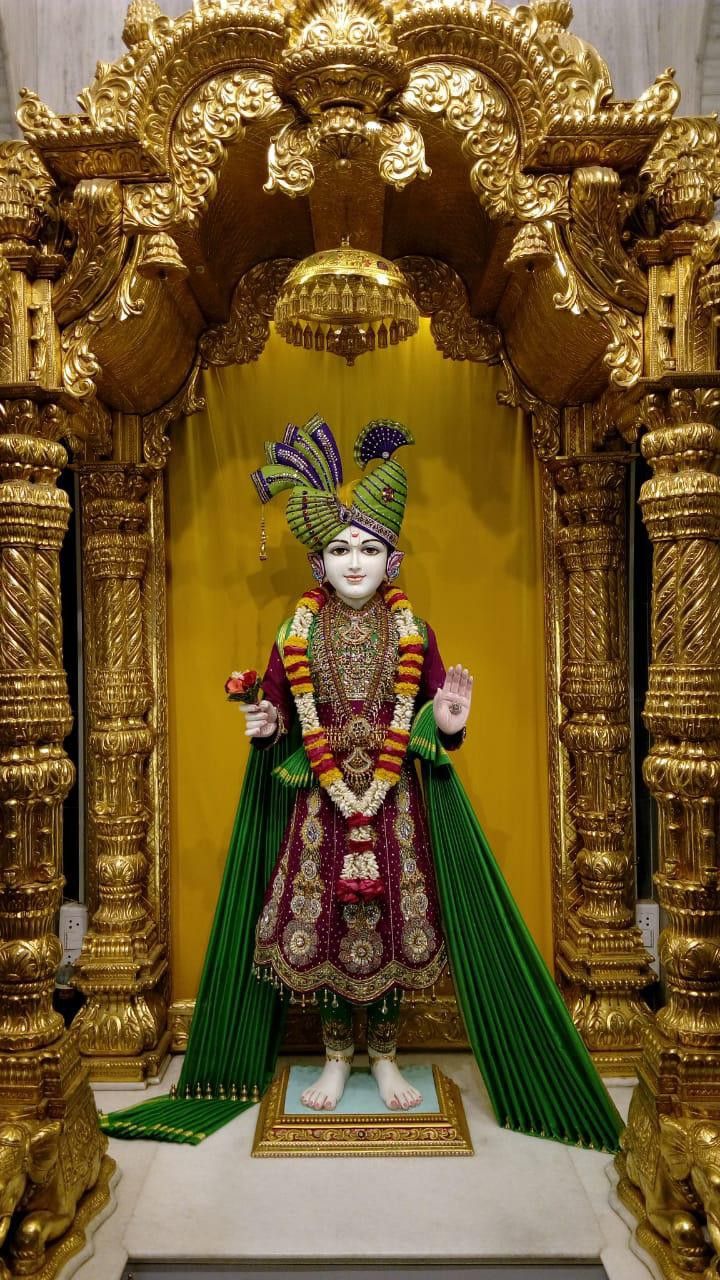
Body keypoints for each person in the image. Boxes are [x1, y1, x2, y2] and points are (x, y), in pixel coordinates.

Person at [243, 415, 470, 1111]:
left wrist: (452, 727)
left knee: (394, 926)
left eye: (368, 549)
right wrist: (264, 724)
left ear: (392, 561)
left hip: (395, 803)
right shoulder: (296, 631)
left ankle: (388, 1058)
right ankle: (336, 1060)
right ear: (318, 565)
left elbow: (431, 712)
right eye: (339, 549)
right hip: (323, 803)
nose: (353, 562)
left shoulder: (414, 631)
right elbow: (278, 707)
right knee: (331, 930)